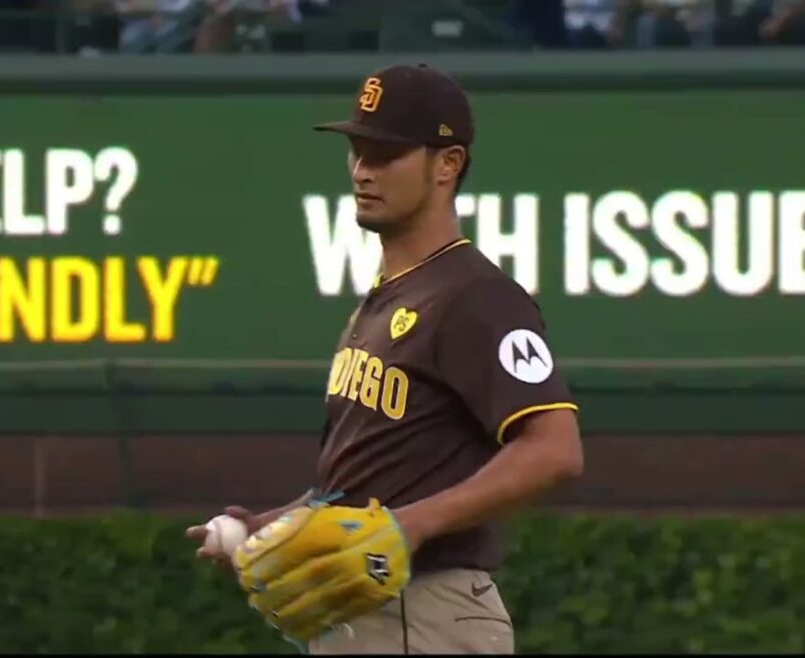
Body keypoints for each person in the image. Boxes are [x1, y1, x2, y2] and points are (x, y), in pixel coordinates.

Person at [186, 64, 584, 654]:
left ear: (446, 164)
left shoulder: (475, 296)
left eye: (387, 153)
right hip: (374, 613)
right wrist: (278, 522)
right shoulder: (387, 297)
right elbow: (365, 489)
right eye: (358, 151)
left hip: (424, 611)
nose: (364, 170)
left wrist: (410, 525)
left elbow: (554, 450)